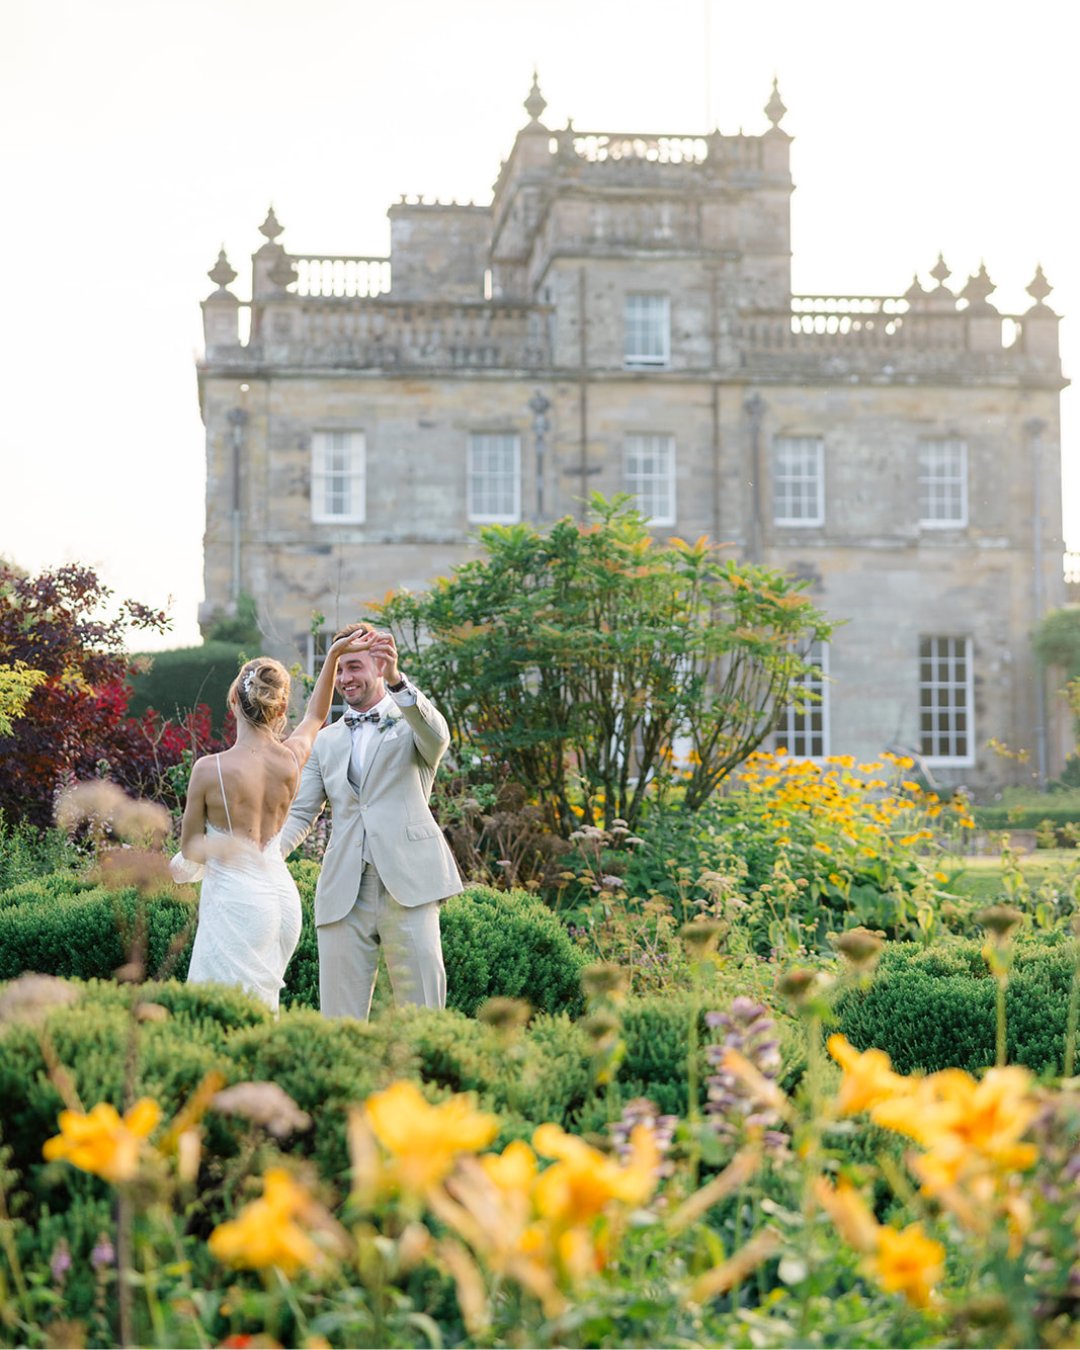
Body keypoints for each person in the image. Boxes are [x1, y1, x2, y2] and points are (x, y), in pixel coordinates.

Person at [171, 630, 366, 1011]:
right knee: (262, 1013)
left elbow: (191, 849)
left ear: (233, 701)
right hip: (282, 903)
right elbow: (315, 715)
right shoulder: (291, 759)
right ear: (280, 710)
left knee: (214, 1015)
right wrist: (332, 657)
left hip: (238, 904)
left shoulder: (209, 770)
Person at [279, 622, 462, 1019]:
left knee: (423, 1015)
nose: (345, 679)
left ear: (380, 666)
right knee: (339, 1023)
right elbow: (301, 814)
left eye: (355, 667)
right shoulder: (326, 741)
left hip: (409, 885)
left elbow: (439, 736)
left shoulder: (412, 723)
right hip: (344, 892)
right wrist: (263, 858)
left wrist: (399, 682)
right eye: (340, 669)